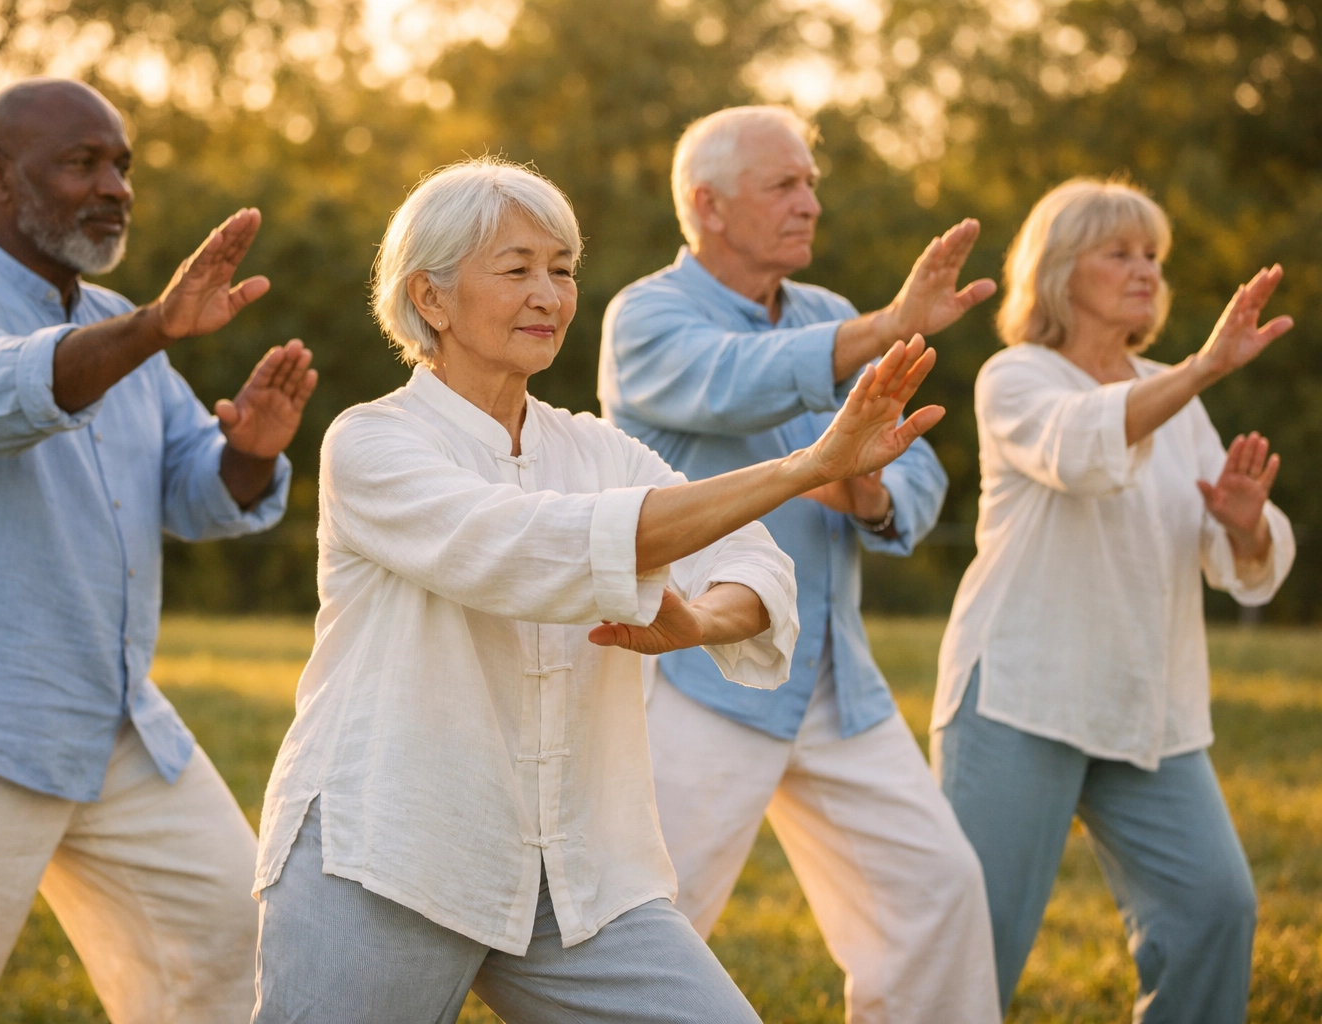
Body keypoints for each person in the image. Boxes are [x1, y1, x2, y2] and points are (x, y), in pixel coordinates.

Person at [248, 156, 946, 1023]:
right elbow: (530, 551)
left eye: (563, 270)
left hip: (577, 876)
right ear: (429, 298)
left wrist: (696, 622)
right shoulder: (372, 446)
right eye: (517, 269)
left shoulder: (597, 448)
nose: (549, 294)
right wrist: (809, 467)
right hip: (387, 854)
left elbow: (756, 564)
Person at [0, 78, 318, 1024]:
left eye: (121, 164)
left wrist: (248, 453)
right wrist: (153, 327)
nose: (115, 185)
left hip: (110, 720)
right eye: (83, 162)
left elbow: (190, 494)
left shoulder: (119, 324)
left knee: (237, 952)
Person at [599, 105, 1000, 1023]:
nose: (810, 202)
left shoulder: (829, 315)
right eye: (785, 184)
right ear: (707, 205)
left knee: (936, 895)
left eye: (811, 183)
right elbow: (738, 375)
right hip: (695, 671)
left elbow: (921, 466)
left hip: (832, 681)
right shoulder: (646, 317)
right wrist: (889, 326)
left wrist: (861, 490)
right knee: (646, 928)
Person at [930, 178, 1295, 1022]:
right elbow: (1082, 448)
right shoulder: (1014, 378)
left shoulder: (1173, 392)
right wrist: (1206, 367)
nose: (1145, 271)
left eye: (1154, 257)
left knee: (1216, 909)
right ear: (1060, 272)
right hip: (1019, 697)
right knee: (977, 940)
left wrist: (1243, 526)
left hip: (1147, 709)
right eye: (1120, 252)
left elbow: (1233, 556)